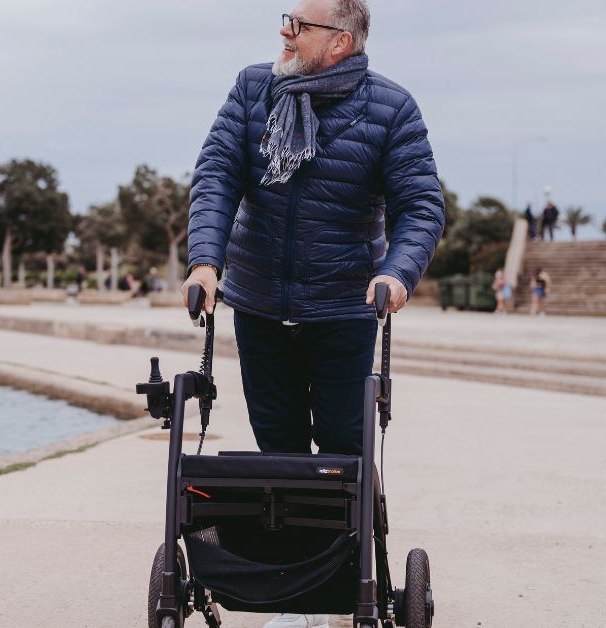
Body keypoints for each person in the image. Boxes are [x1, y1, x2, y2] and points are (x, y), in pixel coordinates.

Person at [182, 4, 443, 624]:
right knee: (278, 453)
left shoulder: (391, 108)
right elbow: (217, 175)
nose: (284, 31)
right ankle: (293, 594)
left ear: (340, 42)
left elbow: (421, 204)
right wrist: (205, 262)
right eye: (287, 18)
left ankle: (348, 581)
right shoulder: (254, 88)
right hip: (260, 306)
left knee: (343, 455)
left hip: (343, 309)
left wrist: (398, 272)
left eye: (299, 24)